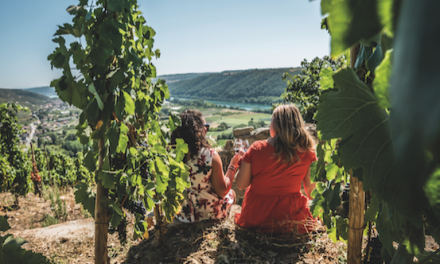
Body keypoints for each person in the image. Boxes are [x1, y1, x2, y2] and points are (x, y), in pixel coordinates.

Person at [234, 104, 317, 234]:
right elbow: (311, 193)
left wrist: (241, 162)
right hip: (291, 219)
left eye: (271, 120)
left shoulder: (257, 149)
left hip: (256, 218)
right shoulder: (308, 152)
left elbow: (240, 185)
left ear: (277, 124)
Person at [171, 109, 242, 223]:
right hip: (209, 214)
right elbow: (223, 191)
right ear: (198, 130)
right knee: (231, 193)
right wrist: (233, 165)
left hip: (184, 214)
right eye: (206, 127)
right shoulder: (209, 155)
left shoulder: (172, 154)